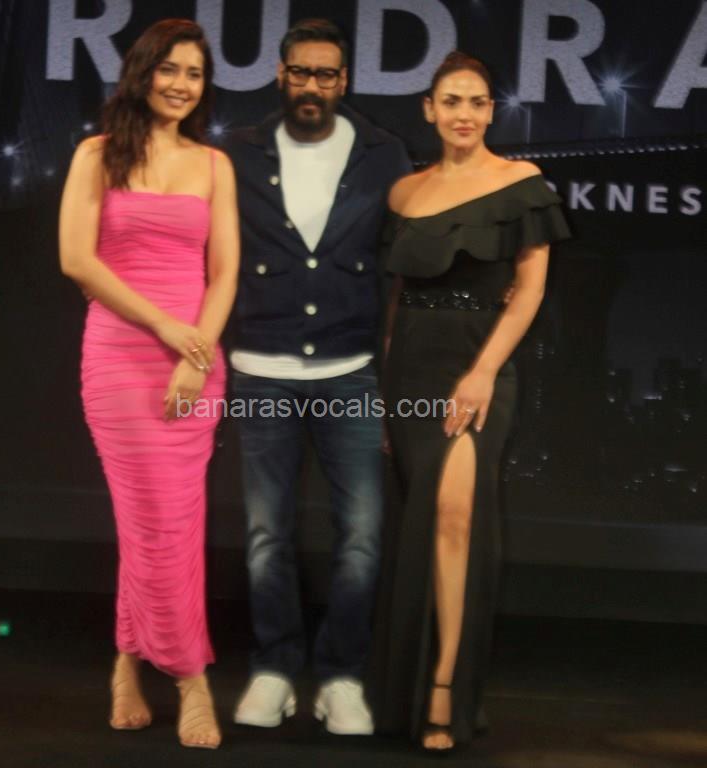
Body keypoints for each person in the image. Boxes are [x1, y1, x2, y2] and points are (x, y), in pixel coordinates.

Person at [369, 52, 570, 751]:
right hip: (410, 370)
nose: (464, 113)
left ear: (491, 111)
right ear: (428, 109)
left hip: (478, 366)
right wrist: (384, 390)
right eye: (451, 101)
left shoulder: (521, 184)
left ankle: (445, 687)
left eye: (477, 102)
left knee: (456, 519)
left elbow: (531, 290)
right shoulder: (404, 193)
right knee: (418, 525)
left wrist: (483, 372)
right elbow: (395, 300)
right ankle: (403, 685)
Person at [225, 19, 411, 735]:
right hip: (260, 368)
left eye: (325, 74)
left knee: (361, 533)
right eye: (299, 72)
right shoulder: (237, 153)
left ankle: (340, 677)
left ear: (344, 81)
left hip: (351, 370)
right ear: (280, 75)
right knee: (266, 533)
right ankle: (274, 668)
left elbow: (401, 266)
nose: (311, 86)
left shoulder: (383, 154)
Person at [58, 19, 238, 749]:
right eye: (170, 69)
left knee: (171, 525)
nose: (181, 85)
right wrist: (166, 328)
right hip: (122, 357)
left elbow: (224, 272)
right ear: (142, 73)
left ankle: (126, 665)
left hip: (195, 359)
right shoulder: (96, 155)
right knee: (151, 523)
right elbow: (77, 259)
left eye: (194, 74)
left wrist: (197, 354)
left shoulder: (214, 164)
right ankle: (192, 679)